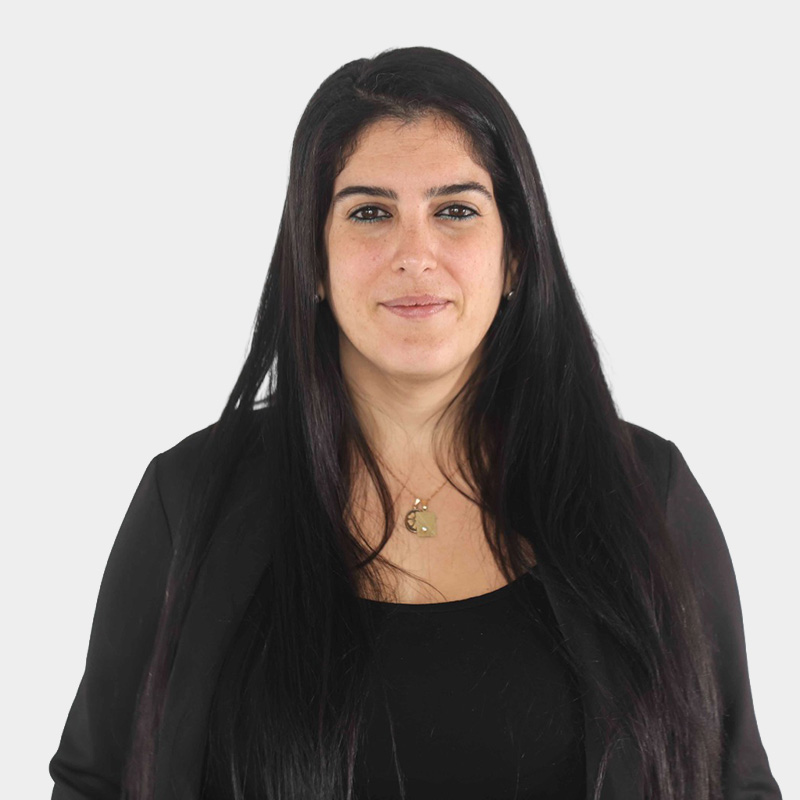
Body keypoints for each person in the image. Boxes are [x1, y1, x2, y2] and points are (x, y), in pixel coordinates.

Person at [49, 46, 782, 800]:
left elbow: (736, 782)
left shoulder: (647, 495)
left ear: (516, 255)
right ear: (312, 259)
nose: (415, 254)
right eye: (370, 212)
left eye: (455, 210)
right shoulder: (189, 500)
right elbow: (93, 782)